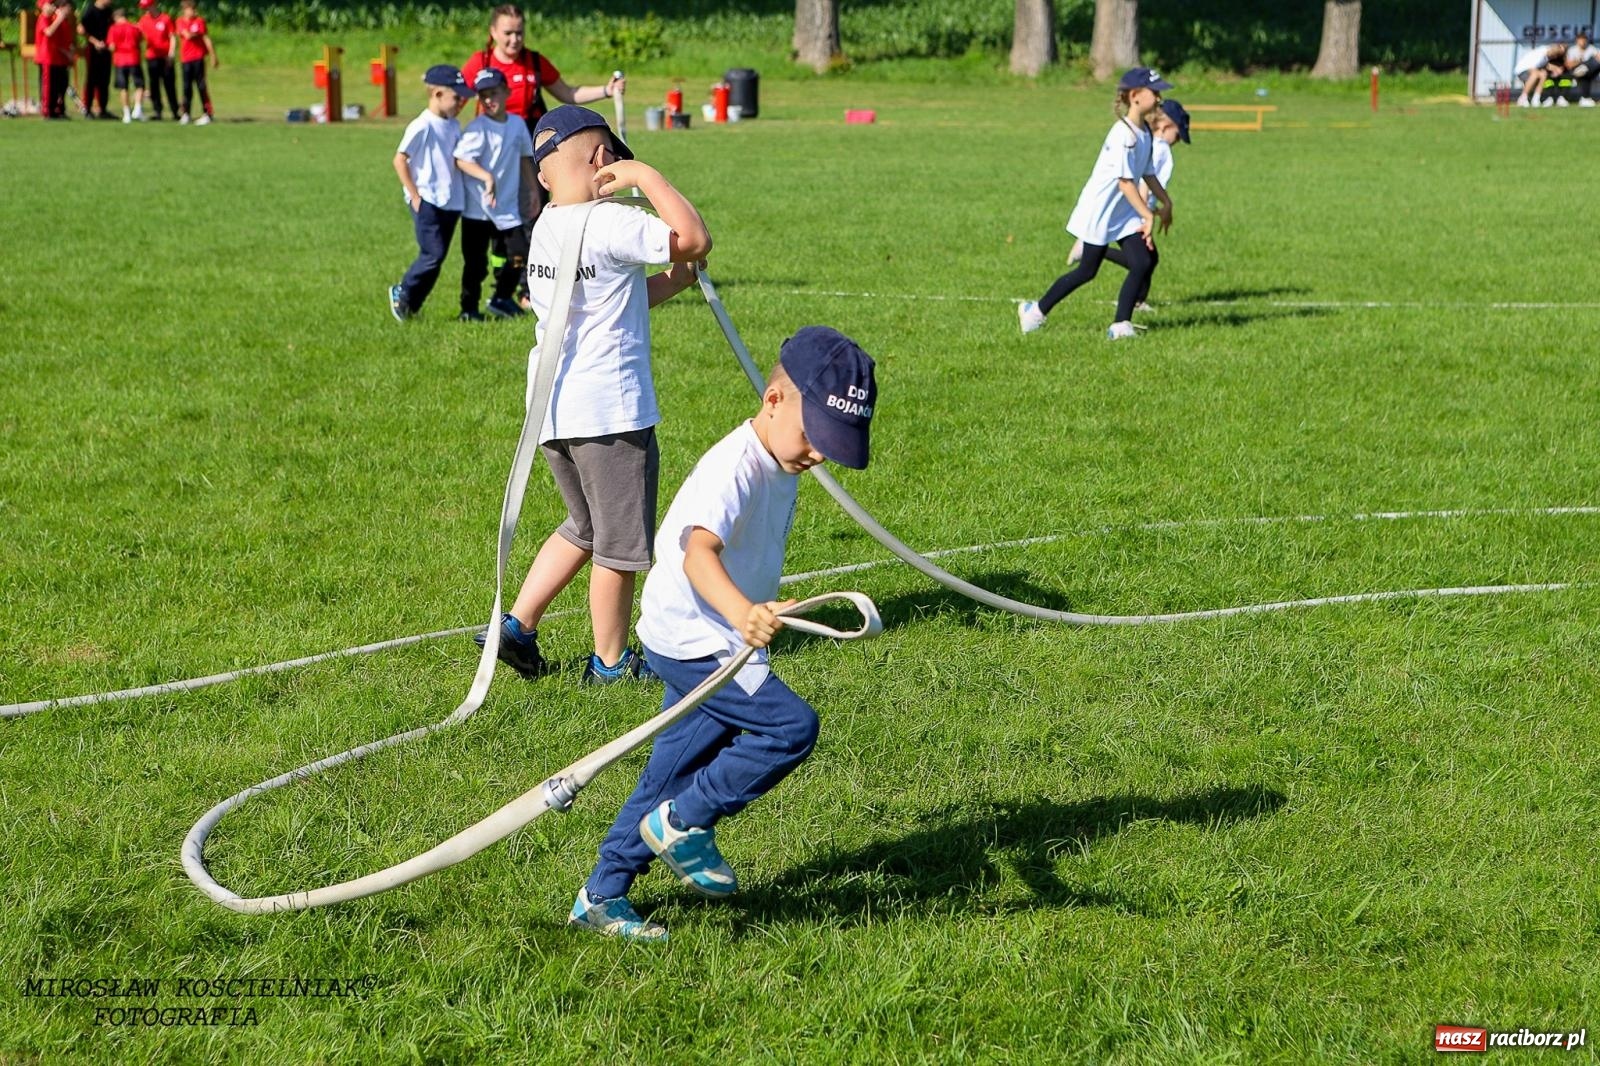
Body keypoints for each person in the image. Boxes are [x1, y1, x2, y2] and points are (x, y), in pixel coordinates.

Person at [566, 326, 879, 941]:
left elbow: (737, 554)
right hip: (696, 639)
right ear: (773, 400)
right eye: (815, 437)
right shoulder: (735, 466)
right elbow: (697, 554)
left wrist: (763, 604)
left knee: (668, 773)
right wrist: (741, 613)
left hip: (707, 631)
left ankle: (600, 896)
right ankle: (684, 822)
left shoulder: (780, 459)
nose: (818, 454)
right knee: (790, 727)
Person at [474, 105, 709, 685]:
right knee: (620, 545)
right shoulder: (612, 221)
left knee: (582, 524)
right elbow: (695, 236)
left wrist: (677, 279)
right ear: (605, 162)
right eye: (617, 159)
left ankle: (518, 625)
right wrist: (647, 177)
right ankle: (610, 664)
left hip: (555, 412)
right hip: (610, 413)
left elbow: (606, 301)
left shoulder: (550, 224)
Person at [461, 4, 624, 304]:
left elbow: (568, 93)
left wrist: (606, 89)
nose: (514, 39)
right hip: (495, 154)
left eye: (519, 32)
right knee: (495, 221)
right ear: (493, 32)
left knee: (537, 213)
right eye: (508, 33)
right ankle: (499, 289)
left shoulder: (534, 61)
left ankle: (530, 287)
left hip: (534, 150)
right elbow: (455, 99)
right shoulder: (479, 62)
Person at [1019, 66, 1174, 340]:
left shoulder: (1146, 134)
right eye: (1155, 92)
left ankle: (1120, 325)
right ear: (1136, 96)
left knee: (1141, 262)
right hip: (1100, 212)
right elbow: (1124, 182)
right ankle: (1035, 312)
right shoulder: (1122, 134)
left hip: (1124, 211)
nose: (1160, 98)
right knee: (1087, 271)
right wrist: (1147, 216)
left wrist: (1166, 203)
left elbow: (1147, 173)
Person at [1072, 97, 1190, 313]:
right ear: (1166, 126)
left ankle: (1132, 307)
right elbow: (1145, 180)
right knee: (1143, 260)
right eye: (1178, 134)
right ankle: (1133, 305)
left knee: (1145, 260)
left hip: (1131, 208)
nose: (1178, 140)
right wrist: (1145, 215)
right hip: (1134, 209)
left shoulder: (1147, 138)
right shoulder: (1160, 148)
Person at [453, 68, 535, 322]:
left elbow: (524, 158)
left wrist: (533, 190)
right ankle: (469, 309)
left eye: (494, 93)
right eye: (484, 96)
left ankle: (501, 298)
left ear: (507, 92)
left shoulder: (517, 124)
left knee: (519, 254)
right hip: (477, 209)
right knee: (476, 265)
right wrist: (486, 177)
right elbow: (461, 160)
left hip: (507, 207)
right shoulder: (478, 128)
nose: (489, 100)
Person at [389, 64, 470, 322]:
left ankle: (410, 307)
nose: (461, 102)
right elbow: (400, 160)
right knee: (432, 254)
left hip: (451, 201)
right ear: (436, 94)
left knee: (438, 258)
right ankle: (402, 291)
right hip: (428, 200)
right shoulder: (422, 125)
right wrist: (415, 196)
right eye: (456, 97)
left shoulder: (454, 125)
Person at [173, 0, 215, 124]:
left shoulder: (200, 21)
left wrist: (213, 55)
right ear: (185, 10)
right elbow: (186, 35)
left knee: (201, 86)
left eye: (194, 9)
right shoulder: (180, 21)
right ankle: (186, 113)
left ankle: (207, 113)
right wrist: (194, 33)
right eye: (191, 9)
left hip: (198, 58)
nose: (193, 11)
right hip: (186, 59)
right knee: (186, 87)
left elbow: (206, 38)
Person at [136, 0, 176, 120]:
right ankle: (157, 111)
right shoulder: (143, 20)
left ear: (154, 5)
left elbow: (172, 36)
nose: (145, 9)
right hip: (152, 56)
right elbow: (138, 33)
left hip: (165, 57)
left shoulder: (165, 19)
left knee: (169, 84)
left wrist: (171, 53)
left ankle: (175, 111)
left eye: (147, 6)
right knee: (154, 85)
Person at [36, 0, 74, 120]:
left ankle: (58, 110)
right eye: (50, 4)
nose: (53, 7)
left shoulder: (57, 19)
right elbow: (48, 32)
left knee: (60, 85)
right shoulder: (43, 18)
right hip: (47, 57)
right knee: (48, 86)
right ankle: (47, 111)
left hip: (57, 58)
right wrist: (59, 18)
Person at [106, 6, 143, 121]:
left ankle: (126, 113)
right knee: (139, 85)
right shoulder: (134, 27)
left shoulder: (113, 28)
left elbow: (111, 46)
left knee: (123, 87)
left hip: (120, 60)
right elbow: (140, 40)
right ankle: (137, 108)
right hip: (133, 58)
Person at [79, 0, 113, 118]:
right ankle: (87, 108)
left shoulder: (108, 11)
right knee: (91, 79)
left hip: (106, 49)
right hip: (93, 49)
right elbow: (81, 29)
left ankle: (102, 109)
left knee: (104, 79)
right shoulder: (90, 10)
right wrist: (95, 42)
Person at [1515, 41, 1567, 107]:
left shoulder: (1547, 55)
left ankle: (1536, 98)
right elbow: (1532, 68)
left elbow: (1545, 65)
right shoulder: (1541, 53)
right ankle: (1522, 98)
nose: (1555, 57)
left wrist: (1556, 69)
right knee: (1536, 74)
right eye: (1555, 54)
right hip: (1521, 71)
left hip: (1530, 70)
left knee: (1543, 74)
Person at [1566, 32, 1600, 105]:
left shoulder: (1591, 48)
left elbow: (1598, 58)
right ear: (1577, 41)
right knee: (1583, 75)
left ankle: (1585, 98)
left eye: (1584, 40)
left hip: (1589, 71)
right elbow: (1569, 65)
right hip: (1576, 71)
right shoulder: (1572, 50)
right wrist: (1579, 61)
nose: (1583, 42)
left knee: (1591, 63)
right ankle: (1585, 98)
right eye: (1581, 40)